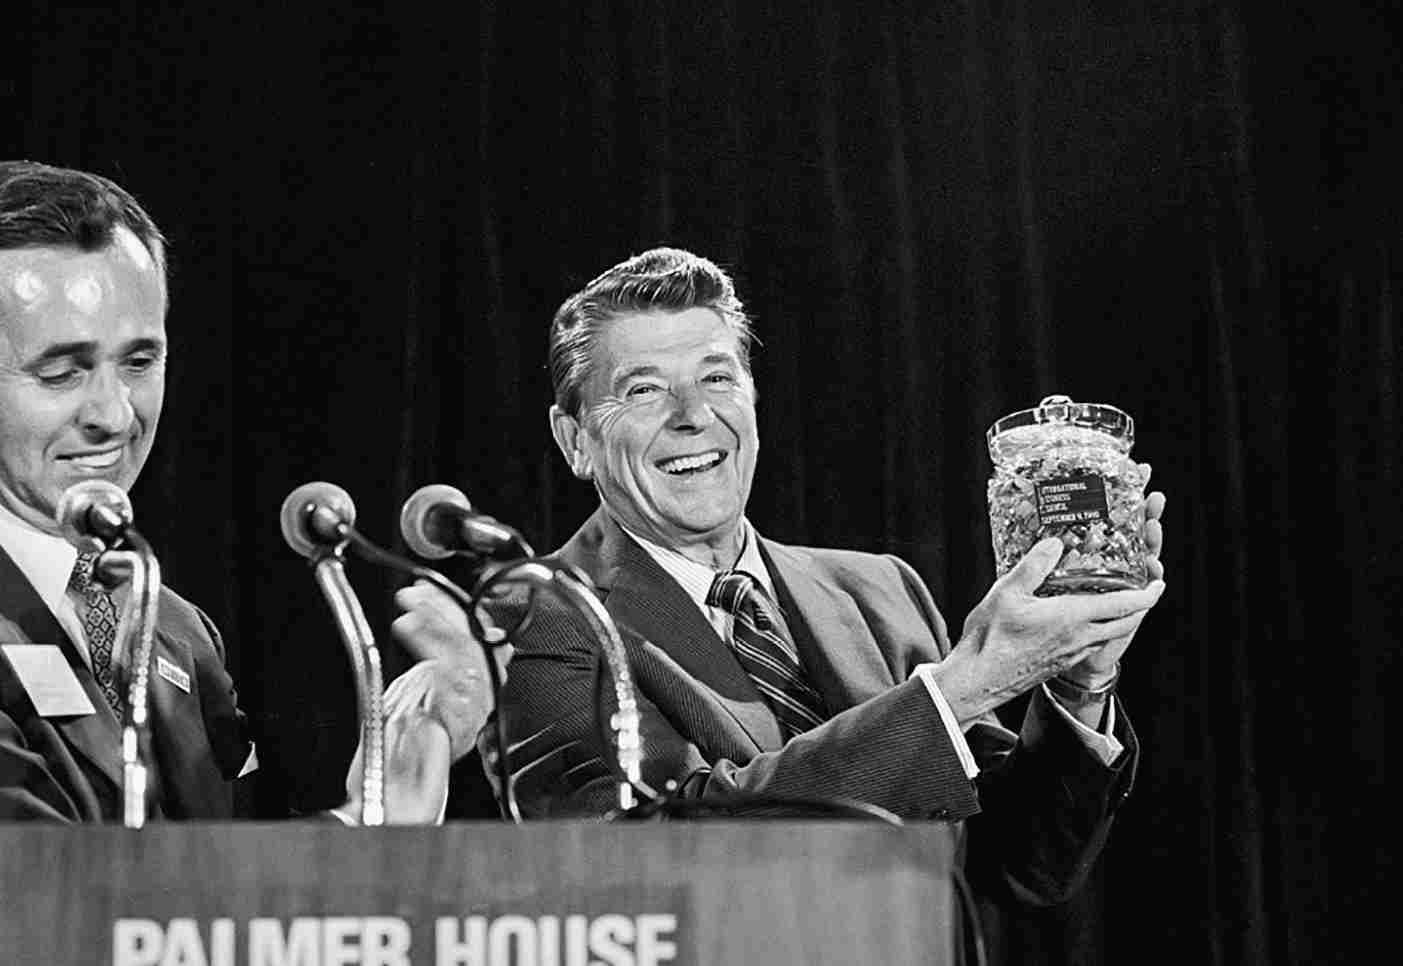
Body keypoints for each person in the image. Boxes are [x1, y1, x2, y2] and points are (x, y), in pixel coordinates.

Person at [400, 246, 1165, 902]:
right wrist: (963, 687)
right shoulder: (542, 613)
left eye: (717, 378)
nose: (692, 414)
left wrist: (1075, 682)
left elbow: (1019, 870)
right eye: (642, 390)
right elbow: (639, 856)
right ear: (573, 440)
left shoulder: (880, 591)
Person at [0, 160, 492, 822]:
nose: (114, 416)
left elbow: (236, 890)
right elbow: (38, 896)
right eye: (62, 372)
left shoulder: (176, 631)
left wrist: (398, 774)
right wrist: (375, 825)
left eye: (140, 362)